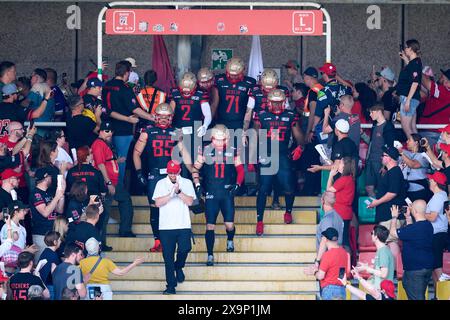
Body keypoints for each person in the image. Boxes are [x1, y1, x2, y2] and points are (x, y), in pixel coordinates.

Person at [133, 103, 191, 252]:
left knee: (175, 205)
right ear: (156, 117)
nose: (164, 120)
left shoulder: (176, 132)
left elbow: (184, 154)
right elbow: (136, 153)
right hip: (155, 173)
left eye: (167, 117)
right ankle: (158, 240)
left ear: (171, 117)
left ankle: (174, 238)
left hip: (172, 174)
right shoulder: (147, 131)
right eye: (161, 117)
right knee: (155, 208)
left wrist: (193, 172)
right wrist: (139, 172)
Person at [191, 124, 245, 265]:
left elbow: (240, 170)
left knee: (229, 225)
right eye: (217, 140)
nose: (220, 143)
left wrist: (238, 184)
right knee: (210, 226)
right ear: (212, 138)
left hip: (226, 193)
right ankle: (210, 255)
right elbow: (195, 168)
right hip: (211, 193)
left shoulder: (233, 151)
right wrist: (197, 185)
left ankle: (230, 239)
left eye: (223, 140)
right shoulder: (204, 150)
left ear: (227, 139)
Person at [253, 89, 303, 235]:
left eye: (279, 103)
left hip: (282, 153)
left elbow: (298, 135)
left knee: (289, 186)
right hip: (267, 154)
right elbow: (255, 135)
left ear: (284, 102)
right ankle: (259, 221)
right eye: (274, 103)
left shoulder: (290, 115)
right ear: (269, 102)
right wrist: (253, 155)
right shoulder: (261, 115)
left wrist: (301, 146)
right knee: (263, 188)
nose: (276, 106)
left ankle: (288, 211)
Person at [102, 60, 154, 184]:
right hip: (123, 130)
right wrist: (152, 117)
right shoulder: (125, 88)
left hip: (106, 129)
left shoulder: (106, 86)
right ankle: (118, 189)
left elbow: (106, 109)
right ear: (127, 73)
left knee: (108, 160)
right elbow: (135, 109)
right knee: (121, 160)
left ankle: (109, 187)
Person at [153, 160, 196, 295]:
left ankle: (179, 266)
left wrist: (178, 192)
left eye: (174, 172)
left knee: (185, 248)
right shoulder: (161, 183)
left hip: (183, 224)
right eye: (170, 172)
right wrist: (170, 194)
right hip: (166, 226)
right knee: (168, 257)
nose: (172, 175)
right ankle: (171, 286)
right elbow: (157, 203)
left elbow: (190, 201)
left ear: (179, 171)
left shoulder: (187, 183)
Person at [92, 121, 135, 238]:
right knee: (104, 212)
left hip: (113, 182)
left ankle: (124, 231)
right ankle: (102, 241)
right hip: (106, 182)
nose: (109, 133)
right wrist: (108, 182)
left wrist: (116, 161)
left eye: (111, 131)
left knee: (124, 200)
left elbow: (106, 162)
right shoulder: (98, 144)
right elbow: (100, 165)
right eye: (106, 131)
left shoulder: (104, 144)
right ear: (100, 131)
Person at [66, 146, 109, 250]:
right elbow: (103, 191)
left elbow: (67, 190)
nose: (92, 155)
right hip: (94, 204)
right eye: (90, 154)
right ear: (87, 157)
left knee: (77, 225)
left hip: (76, 202)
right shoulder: (95, 171)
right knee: (97, 225)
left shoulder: (72, 171)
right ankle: (99, 245)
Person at [389, 201, 433, 300]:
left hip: (415, 270)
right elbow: (411, 232)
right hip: (426, 267)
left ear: (415, 210)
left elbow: (393, 233)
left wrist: (394, 217)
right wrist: (408, 218)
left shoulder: (414, 229)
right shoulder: (428, 226)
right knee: (413, 290)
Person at [79, 237, 144, 300]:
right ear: (98, 248)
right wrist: (134, 264)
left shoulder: (81, 263)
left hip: (89, 289)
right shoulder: (106, 262)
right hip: (104, 289)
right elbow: (121, 272)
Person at [368, 146, 407, 239]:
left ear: (389, 158)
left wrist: (377, 202)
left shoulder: (395, 172)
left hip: (391, 216)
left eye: (383, 155)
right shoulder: (391, 172)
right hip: (387, 216)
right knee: (388, 242)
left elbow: (392, 193)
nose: (381, 157)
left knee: (390, 241)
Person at [29, 167, 65, 261]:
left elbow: (59, 210)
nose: (51, 178)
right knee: (42, 263)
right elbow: (45, 212)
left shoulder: (48, 193)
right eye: (50, 176)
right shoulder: (36, 193)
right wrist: (57, 197)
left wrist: (61, 195)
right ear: (45, 177)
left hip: (52, 233)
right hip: (41, 234)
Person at [311, 63, 352, 145]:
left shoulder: (323, 92)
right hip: (345, 127)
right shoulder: (345, 88)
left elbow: (318, 115)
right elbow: (352, 89)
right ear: (335, 75)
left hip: (329, 128)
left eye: (322, 73)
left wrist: (312, 130)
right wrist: (340, 79)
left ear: (325, 75)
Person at [305, 227, 348, 300]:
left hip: (330, 291)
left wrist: (314, 272)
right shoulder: (344, 253)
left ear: (325, 239)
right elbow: (341, 274)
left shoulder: (327, 255)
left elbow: (321, 276)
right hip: (341, 289)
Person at [215, 57, 256, 133]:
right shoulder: (219, 80)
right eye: (231, 74)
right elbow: (213, 101)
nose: (233, 76)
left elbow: (251, 106)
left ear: (243, 70)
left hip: (240, 121)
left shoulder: (250, 82)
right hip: (222, 120)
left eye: (236, 75)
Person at [364, 104, 396, 197]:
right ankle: (373, 209)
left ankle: (380, 209)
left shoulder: (388, 126)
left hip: (380, 161)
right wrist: (362, 134)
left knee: (382, 188)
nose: (370, 114)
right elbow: (372, 142)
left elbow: (391, 147)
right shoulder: (374, 125)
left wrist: (385, 165)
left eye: (372, 112)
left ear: (379, 111)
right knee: (369, 188)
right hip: (370, 160)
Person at [425, 171, 449, 293]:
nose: (429, 181)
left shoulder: (439, 196)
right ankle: (438, 293)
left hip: (437, 233)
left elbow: (432, 217)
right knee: (435, 266)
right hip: (438, 233)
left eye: (431, 179)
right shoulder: (442, 195)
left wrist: (418, 213)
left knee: (437, 266)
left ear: (435, 183)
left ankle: (444, 293)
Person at [326, 157, 355, 250]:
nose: (339, 165)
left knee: (342, 240)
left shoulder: (344, 179)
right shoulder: (348, 178)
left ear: (345, 166)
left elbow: (328, 191)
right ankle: (347, 262)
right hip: (344, 213)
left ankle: (346, 262)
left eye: (341, 163)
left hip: (340, 213)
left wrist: (330, 175)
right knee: (344, 239)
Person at [397, 39, 423, 138]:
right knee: (412, 127)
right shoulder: (415, 63)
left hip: (409, 98)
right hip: (412, 98)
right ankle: (420, 150)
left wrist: (407, 100)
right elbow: (411, 73)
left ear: (411, 49)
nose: (405, 50)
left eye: (406, 47)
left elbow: (415, 82)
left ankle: (415, 148)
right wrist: (405, 59)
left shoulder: (415, 64)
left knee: (406, 126)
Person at [419, 68, 450, 146]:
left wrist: (416, 67)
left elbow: (428, 84)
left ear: (448, 82)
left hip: (431, 133)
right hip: (437, 133)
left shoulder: (445, 92)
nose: (440, 78)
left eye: (442, 77)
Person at [398, 134, 432, 202]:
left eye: (409, 140)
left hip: (418, 190)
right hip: (404, 188)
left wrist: (401, 153)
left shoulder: (423, 156)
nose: (407, 141)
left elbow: (413, 165)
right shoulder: (405, 152)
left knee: (417, 210)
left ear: (416, 143)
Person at [315, 191, 344, 264]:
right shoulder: (339, 217)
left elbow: (324, 240)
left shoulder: (327, 220)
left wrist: (317, 261)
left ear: (322, 201)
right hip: (338, 256)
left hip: (328, 259)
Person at [37, 231, 62, 299]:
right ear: (55, 242)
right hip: (50, 286)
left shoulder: (45, 252)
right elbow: (54, 273)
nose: (61, 242)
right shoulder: (53, 255)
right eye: (59, 240)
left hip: (43, 286)